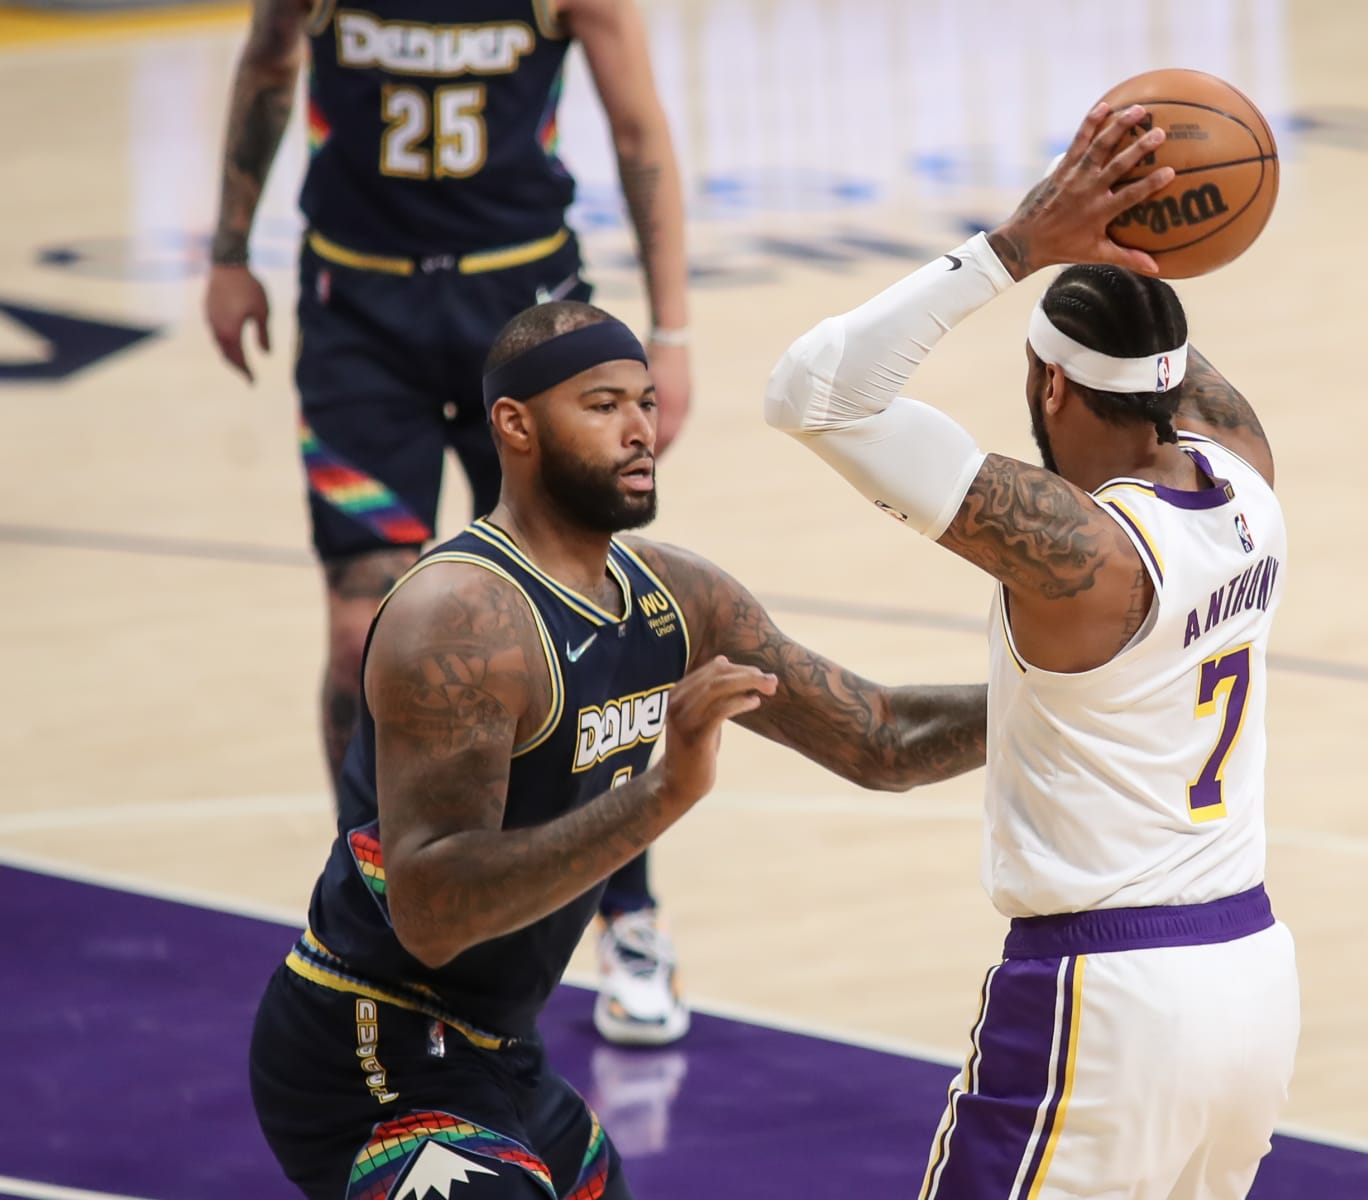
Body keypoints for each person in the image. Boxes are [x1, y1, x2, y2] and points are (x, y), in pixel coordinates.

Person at [249, 300, 986, 1200]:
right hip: (370, 1050)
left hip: (500, 1051)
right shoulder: (460, 619)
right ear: (515, 426)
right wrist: (664, 793)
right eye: (603, 406)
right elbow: (433, 916)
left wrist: (1076, 698)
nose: (640, 429)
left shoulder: (678, 597)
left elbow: (879, 738)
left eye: (643, 401)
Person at [765, 103, 1298, 1200]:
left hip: (1105, 997)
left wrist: (1016, 247)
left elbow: (812, 391)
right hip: (1253, 980)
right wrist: (1137, 248)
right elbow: (1164, 368)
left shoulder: (1086, 555)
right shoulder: (1249, 479)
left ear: (1048, 384)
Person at [203, 0, 695, 1042]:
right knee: (358, 634)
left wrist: (673, 332)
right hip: (357, 313)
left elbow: (640, 132)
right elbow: (264, 69)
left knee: (584, 624)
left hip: (525, 318)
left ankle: (629, 914)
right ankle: (380, 912)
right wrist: (229, 248)